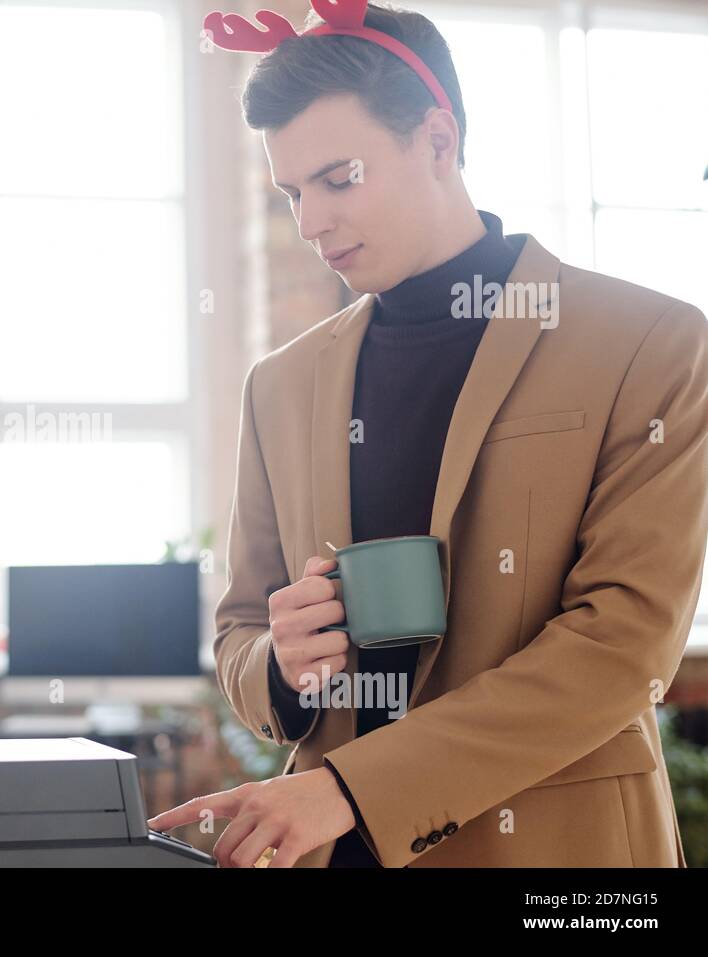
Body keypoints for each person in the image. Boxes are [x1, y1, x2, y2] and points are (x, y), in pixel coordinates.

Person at [148, 0, 708, 867]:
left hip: (563, 862)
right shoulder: (280, 386)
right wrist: (282, 662)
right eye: (292, 192)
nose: (311, 222)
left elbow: (623, 646)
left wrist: (347, 789)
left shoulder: (652, 343)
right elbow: (241, 633)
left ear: (438, 142)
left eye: (340, 178)